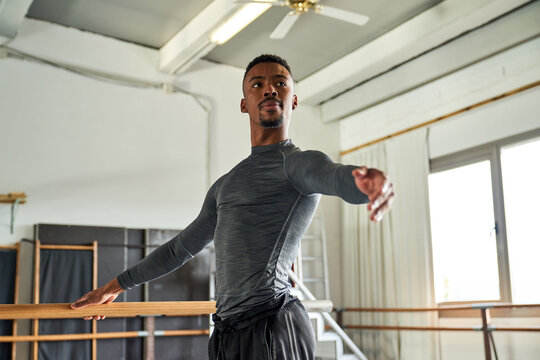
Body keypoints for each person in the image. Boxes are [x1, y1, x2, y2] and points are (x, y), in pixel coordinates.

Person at [71, 54, 394, 359]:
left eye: (280, 83)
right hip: (226, 331)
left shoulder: (298, 164)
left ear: (293, 100)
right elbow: (179, 249)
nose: (269, 88)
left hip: (272, 324)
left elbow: (334, 177)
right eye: (257, 84)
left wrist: (365, 183)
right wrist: (114, 286)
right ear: (244, 104)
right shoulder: (225, 185)